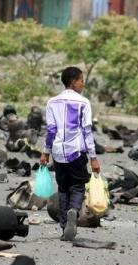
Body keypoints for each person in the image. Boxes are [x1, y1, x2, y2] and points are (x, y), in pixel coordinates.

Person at [40, 66, 100, 241]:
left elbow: (51, 130)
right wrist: (93, 158)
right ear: (74, 82)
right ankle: (74, 210)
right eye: (81, 80)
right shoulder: (84, 102)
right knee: (78, 186)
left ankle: (65, 224)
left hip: (58, 152)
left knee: (63, 187)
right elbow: (87, 131)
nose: (83, 84)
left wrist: (45, 152)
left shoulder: (52, 102)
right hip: (77, 151)